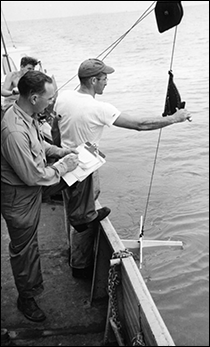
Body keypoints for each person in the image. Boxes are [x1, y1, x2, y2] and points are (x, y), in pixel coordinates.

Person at [53, 58, 192, 278]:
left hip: (65, 161)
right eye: (104, 78)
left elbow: (55, 127)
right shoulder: (98, 108)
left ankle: (77, 249)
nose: (107, 82)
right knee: (83, 221)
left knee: (76, 210)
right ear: (93, 80)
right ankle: (80, 268)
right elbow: (140, 124)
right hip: (84, 168)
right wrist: (174, 119)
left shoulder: (65, 96)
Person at [1, 70, 109, 323]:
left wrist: (62, 152)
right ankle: (26, 297)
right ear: (35, 97)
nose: (52, 103)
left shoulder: (27, 114)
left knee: (85, 169)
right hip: (20, 194)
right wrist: (63, 167)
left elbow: (40, 145)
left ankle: (82, 216)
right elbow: (32, 176)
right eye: (50, 99)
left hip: (33, 184)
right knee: (25, 248)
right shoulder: (13, 130)